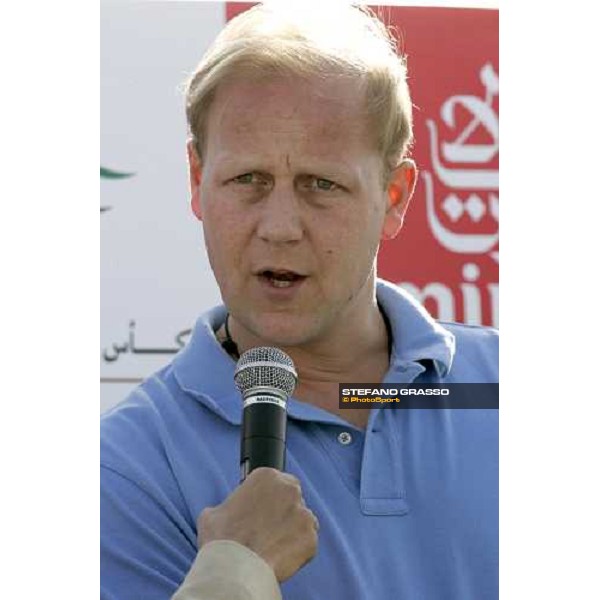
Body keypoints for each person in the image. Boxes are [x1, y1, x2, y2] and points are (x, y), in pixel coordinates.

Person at [100, 3, 498, 599]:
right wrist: (235, 572)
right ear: (195, 181)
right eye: (248, 180)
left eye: (321, 184)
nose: (280, 226)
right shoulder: (124, 471)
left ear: (394, 197)